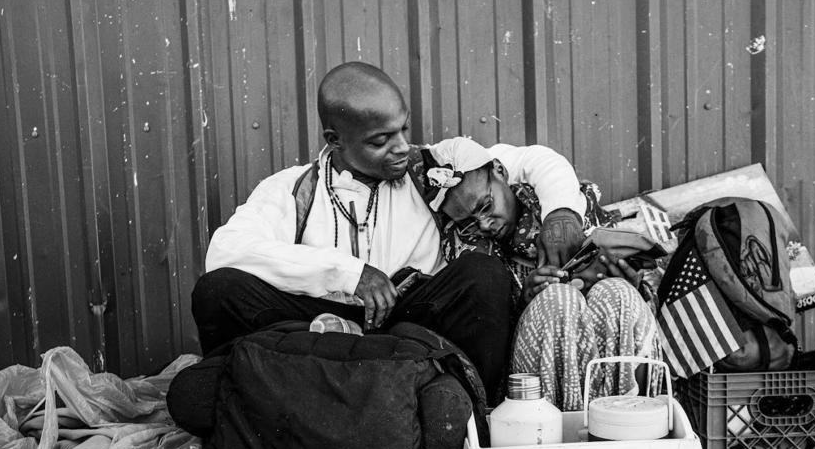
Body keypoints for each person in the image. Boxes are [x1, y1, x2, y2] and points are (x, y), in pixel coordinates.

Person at [191, 62, 517, 394]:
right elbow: (226, 249)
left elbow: (525, 162)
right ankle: (246, 405)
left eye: (403, 129)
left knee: (482, 275)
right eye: (381, 140)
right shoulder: (293, 188)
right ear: (336, 141)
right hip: (317, 326)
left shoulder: (430, 168)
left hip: (408, 324)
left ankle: (474, 414)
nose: (402, 146)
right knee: (218, 291)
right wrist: (349, 273)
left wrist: (562, 208)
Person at [423, 137, 663, 410]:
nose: (485, 225)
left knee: (618, 294)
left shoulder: (559, 204)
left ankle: (627, 427)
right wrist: (523, 302)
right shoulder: (464, 251)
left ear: (501, 172)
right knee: (557, 301)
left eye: (486, 206)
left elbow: (543, 161)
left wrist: (629, 281)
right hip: (528, 392)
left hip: (602, 354)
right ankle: (568, 438)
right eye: (469, 223)